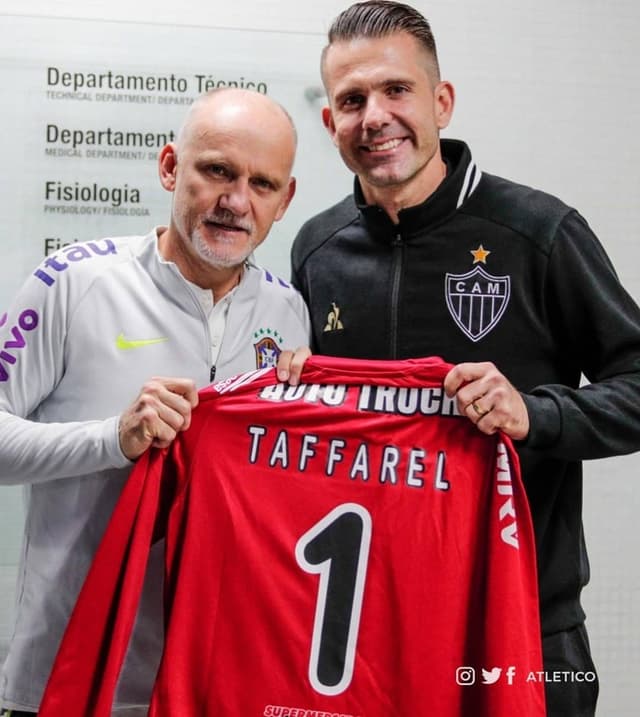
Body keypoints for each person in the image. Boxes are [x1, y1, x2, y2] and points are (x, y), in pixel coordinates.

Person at [288, 2, 640, 716]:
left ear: (441, 102)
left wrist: (536, 414)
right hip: (367, 628)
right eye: (351, 101)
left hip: (526, 625)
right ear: (330, 124)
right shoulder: (316, 250)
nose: (374, 116)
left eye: (396, 90)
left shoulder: (539, 232)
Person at [0, 87, 310, 716]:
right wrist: (114, 437)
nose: (235, 202)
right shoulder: (74, 281)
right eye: (217, 171)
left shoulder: (289, 312)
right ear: (171, 167)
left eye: (261, 183)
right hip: (68, 681)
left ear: (285, 199)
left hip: (213, 685)